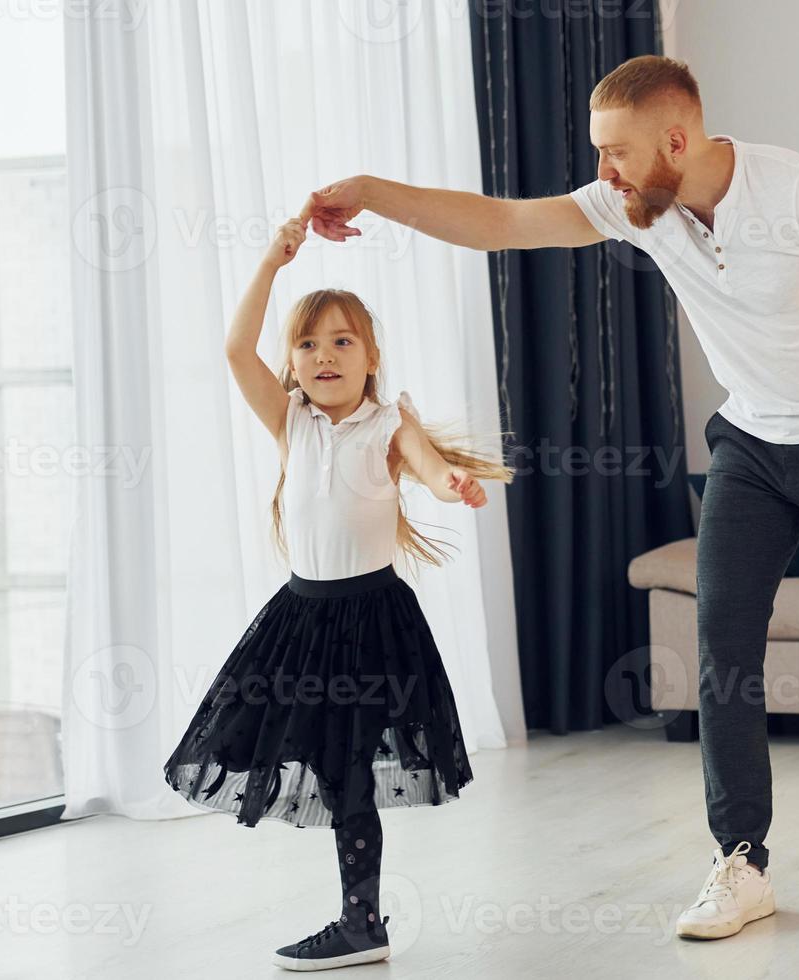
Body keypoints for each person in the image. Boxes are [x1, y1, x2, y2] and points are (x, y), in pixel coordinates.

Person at [299, 54, 799, 942]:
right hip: (755, 443)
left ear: (676, 140)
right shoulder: (633, 203)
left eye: (615, 152)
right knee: (722, 644)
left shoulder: (798, 190)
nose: (603, 172)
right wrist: (371, 189)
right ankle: (742, 862)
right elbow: (500, 224)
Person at [161, 218, 513, 970]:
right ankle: (361, 918)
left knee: (348, 766)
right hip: (299, 617)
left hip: (370, 623)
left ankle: (361, 923)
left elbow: (424, 463)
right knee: (302, 757)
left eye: (342, 341)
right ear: (292, 363)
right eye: (309, 344)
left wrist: (452, 485)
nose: (324, 355)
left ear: (371, 357)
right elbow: (233, 349)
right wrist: (270, 260)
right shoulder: (291, 423)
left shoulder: (388, 424)